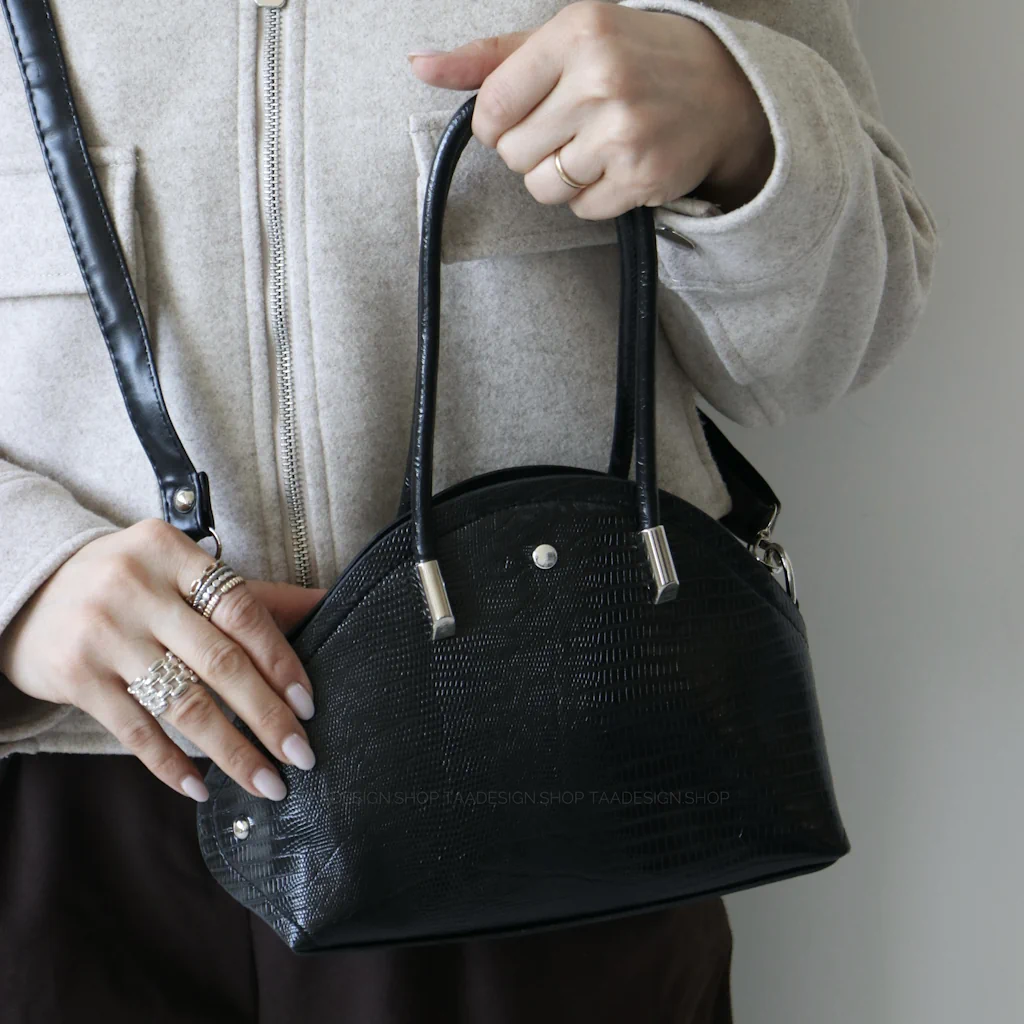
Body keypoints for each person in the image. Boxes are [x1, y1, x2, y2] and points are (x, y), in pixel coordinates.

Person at [0, 1, 937, 1021]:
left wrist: (740, 122)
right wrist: (22, 573)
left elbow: (835, 344)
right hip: (71, 798)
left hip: (567, 769)